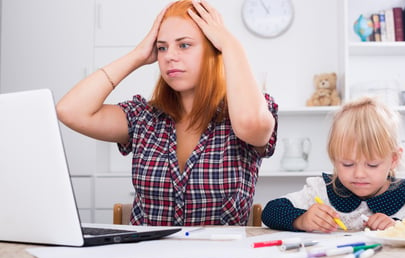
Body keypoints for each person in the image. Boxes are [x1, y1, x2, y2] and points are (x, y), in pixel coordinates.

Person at [56, 0, 278, 226]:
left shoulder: (250, 109)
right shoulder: (143, 116)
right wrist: (138, 55)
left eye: (184, 45)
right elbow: (70, 111)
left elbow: (251, 123)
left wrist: (231, 45)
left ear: (214, 49)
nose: (169, 56)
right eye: (162, 47)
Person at [262, 97, 405, 232]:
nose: (359, 174)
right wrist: (302, 220)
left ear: (393, 159)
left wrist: (399, 229)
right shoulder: (319, 190)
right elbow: (271, 211)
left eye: (372, 165)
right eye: (347, 164)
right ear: (334, 159)